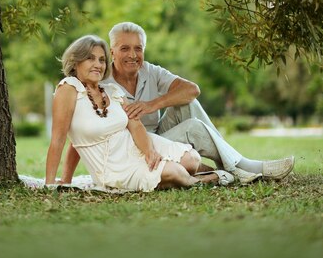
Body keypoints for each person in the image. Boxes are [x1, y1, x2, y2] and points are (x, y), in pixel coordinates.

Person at [100, 22, 295, 184]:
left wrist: (152, 104)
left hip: (159, 136)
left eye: (138, 48)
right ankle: (240, 165)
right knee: (194, 127)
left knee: (187, 103)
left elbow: (192, 90)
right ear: (112, 52)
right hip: (134, 149)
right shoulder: (102, 83)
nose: (133, 55)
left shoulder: (149, 71)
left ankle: (232, 164)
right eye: (125, 48)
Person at [45, 35, 235, 191]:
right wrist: (51, 183)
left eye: (102, 60)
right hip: (112, 166)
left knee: (192, 159)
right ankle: (204, 180)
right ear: (76, 62)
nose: (98, 64)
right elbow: (59, 139)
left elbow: (135, 125)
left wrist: (149, 153)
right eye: (90, 58)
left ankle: (177, 176)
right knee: (176, 172)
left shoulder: (111, 91)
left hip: (135, 146)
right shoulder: (69, 89)